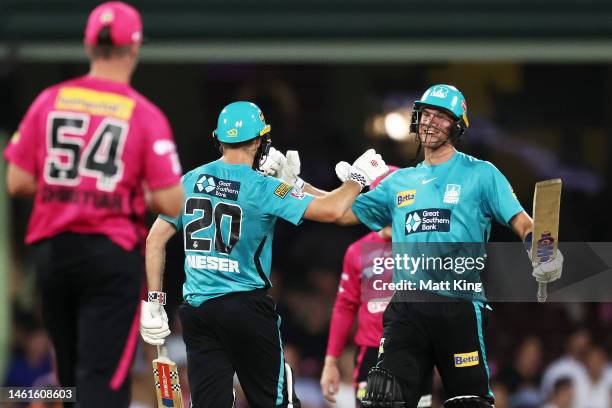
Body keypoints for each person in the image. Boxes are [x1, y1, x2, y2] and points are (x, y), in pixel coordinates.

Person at [139, 101, 388, 407]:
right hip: (246, 308)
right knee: (275, 402)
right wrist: (358, 180)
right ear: (258, 140)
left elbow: (154, 241)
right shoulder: (263, 186)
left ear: (219, 139)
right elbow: (335, 210)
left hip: (198, 311)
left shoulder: (190, 180)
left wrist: (154, 302)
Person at [331, 84, 564, 408]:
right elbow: (339, 212)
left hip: (459, 304)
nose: (430, 121)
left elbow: (524, 224)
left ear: (457, 126)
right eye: (426, 113)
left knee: (469, 402)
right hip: (407, 308)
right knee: (384, 399)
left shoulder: (481, 174)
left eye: (441, 116)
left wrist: (541, 248)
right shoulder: (399, 182)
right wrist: (292, 188)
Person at [4, 2, 184, 407]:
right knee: (102, 378)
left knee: (69, 376)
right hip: (108, 254)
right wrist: (123, 190)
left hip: (54, 255)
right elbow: (173, 199)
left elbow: (16, 181)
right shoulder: (143, 113)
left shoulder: (49, 99)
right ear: (134, 49)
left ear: (88, 44)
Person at [319, 167, 432, 408]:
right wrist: (331, 361)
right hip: (371, 353)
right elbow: (344, 306)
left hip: (416, 352)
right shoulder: (357, 251)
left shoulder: (428, 246)